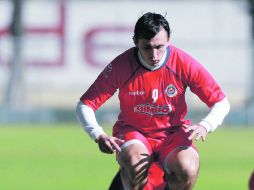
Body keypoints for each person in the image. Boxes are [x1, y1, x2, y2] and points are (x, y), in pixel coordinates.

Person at [76, 12, 230, 190]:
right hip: (134, 132)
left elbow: (221, 102)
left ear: (169, 40)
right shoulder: (121, 66)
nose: (154, 55)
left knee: (187, 168)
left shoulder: (183, 63)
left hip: (173, 133)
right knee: (135, 162)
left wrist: (206, 125)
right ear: (135, 42)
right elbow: (85, 104)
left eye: (160, 47)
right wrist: (98, 134)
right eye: (147, 47)